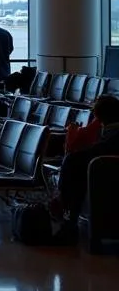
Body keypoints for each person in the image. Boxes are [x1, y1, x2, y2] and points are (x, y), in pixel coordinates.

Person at [54, 95, 119, 241]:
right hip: (103, 170)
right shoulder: (110, 133)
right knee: (75, 166)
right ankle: (68, 219)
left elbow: (98, 150)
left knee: (72, 163)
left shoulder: (112, 136)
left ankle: (69, 221)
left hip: (108, 172)